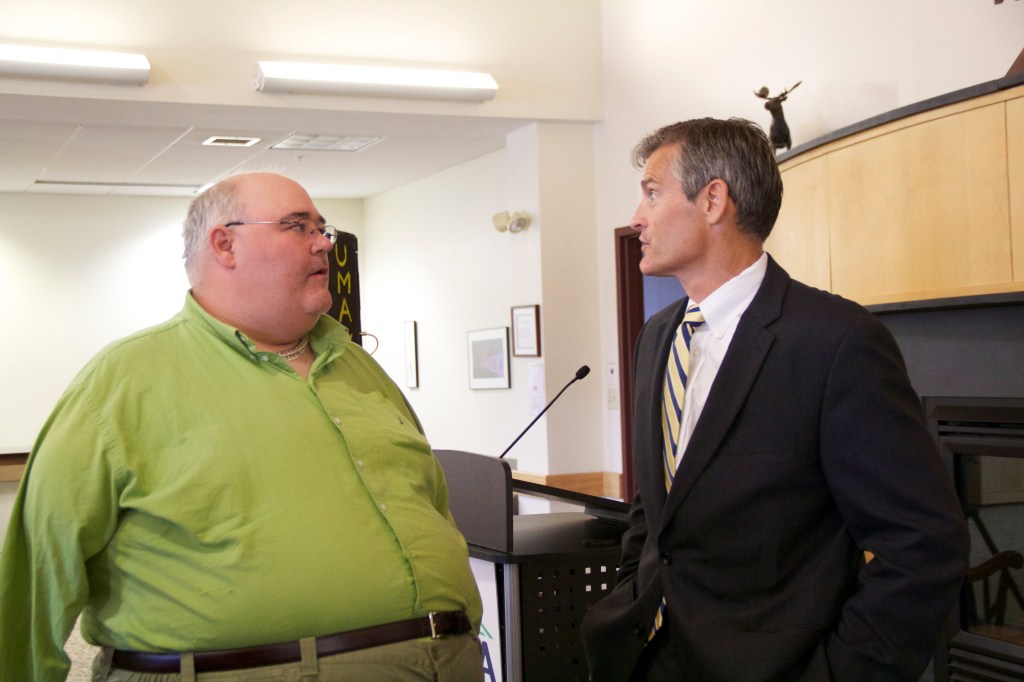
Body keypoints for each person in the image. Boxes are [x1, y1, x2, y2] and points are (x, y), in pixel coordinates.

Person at [0, 172, 483, 681]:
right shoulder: (124, 381)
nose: (323, 244)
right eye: (298, 227)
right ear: (225, 244)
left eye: (323, 229)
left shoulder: (359, 368)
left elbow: (430, 504)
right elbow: (39, 568)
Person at [580, 118, 968, 681]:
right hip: (645, 658)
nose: (636, 217)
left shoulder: (836, 342)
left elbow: (923, 545)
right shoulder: (657, 337)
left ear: (714, 199)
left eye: (652, 192)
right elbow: (654, 512)